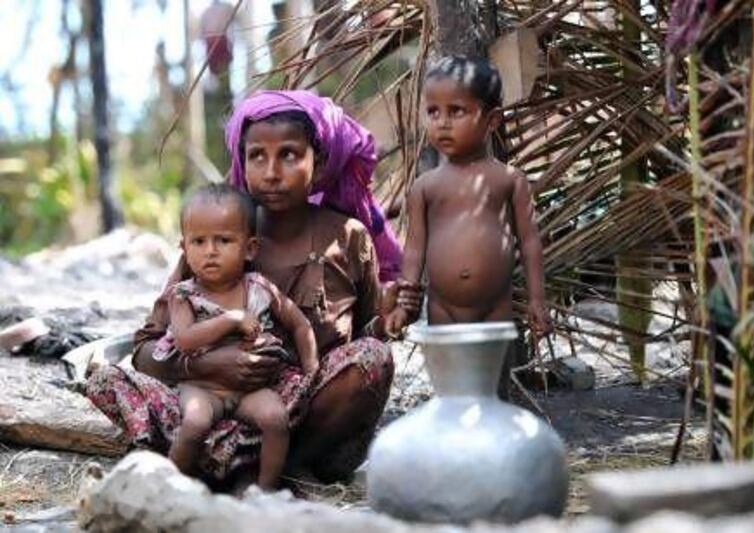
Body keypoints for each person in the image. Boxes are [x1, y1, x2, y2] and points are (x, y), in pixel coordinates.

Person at [87, 90, 421, 486]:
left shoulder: (348, 239)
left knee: (372, 358)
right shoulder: (218, 235)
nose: (271, 172)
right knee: (106, 379)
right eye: (257, 155)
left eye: (290, 155)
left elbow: (366, 338)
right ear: (242, 161)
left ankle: (282, 470)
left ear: (320, 161)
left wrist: (391, 318)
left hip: (300, 420)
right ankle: (214, 464)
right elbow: (146, 351)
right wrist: (211, 364)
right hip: (207, 410)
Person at [159, 184, 317, 489]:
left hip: (250, 389)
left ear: (250, 248)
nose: (211, 251)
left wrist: (311, 369)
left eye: (224, 240)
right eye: (199, 241)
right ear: (184, 249)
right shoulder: (184, 296)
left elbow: (299, 324)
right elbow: (185, 340)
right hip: (202, 387)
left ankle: (265, 491)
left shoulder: (258, 288)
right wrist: (232, 319)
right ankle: (169, 487)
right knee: (194, 424)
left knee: (276, 420)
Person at [386, 56, 551, 336]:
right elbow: (414, 250)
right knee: (451, 376)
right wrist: (404, 304)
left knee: (497, 376)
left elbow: (530, 242)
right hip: (442, 308)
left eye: (456, 111)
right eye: (433, 112)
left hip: (496, 306)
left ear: (492, 120)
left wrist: (537, 299)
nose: (442, 123)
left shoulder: (508, 180)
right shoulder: (425, 187)